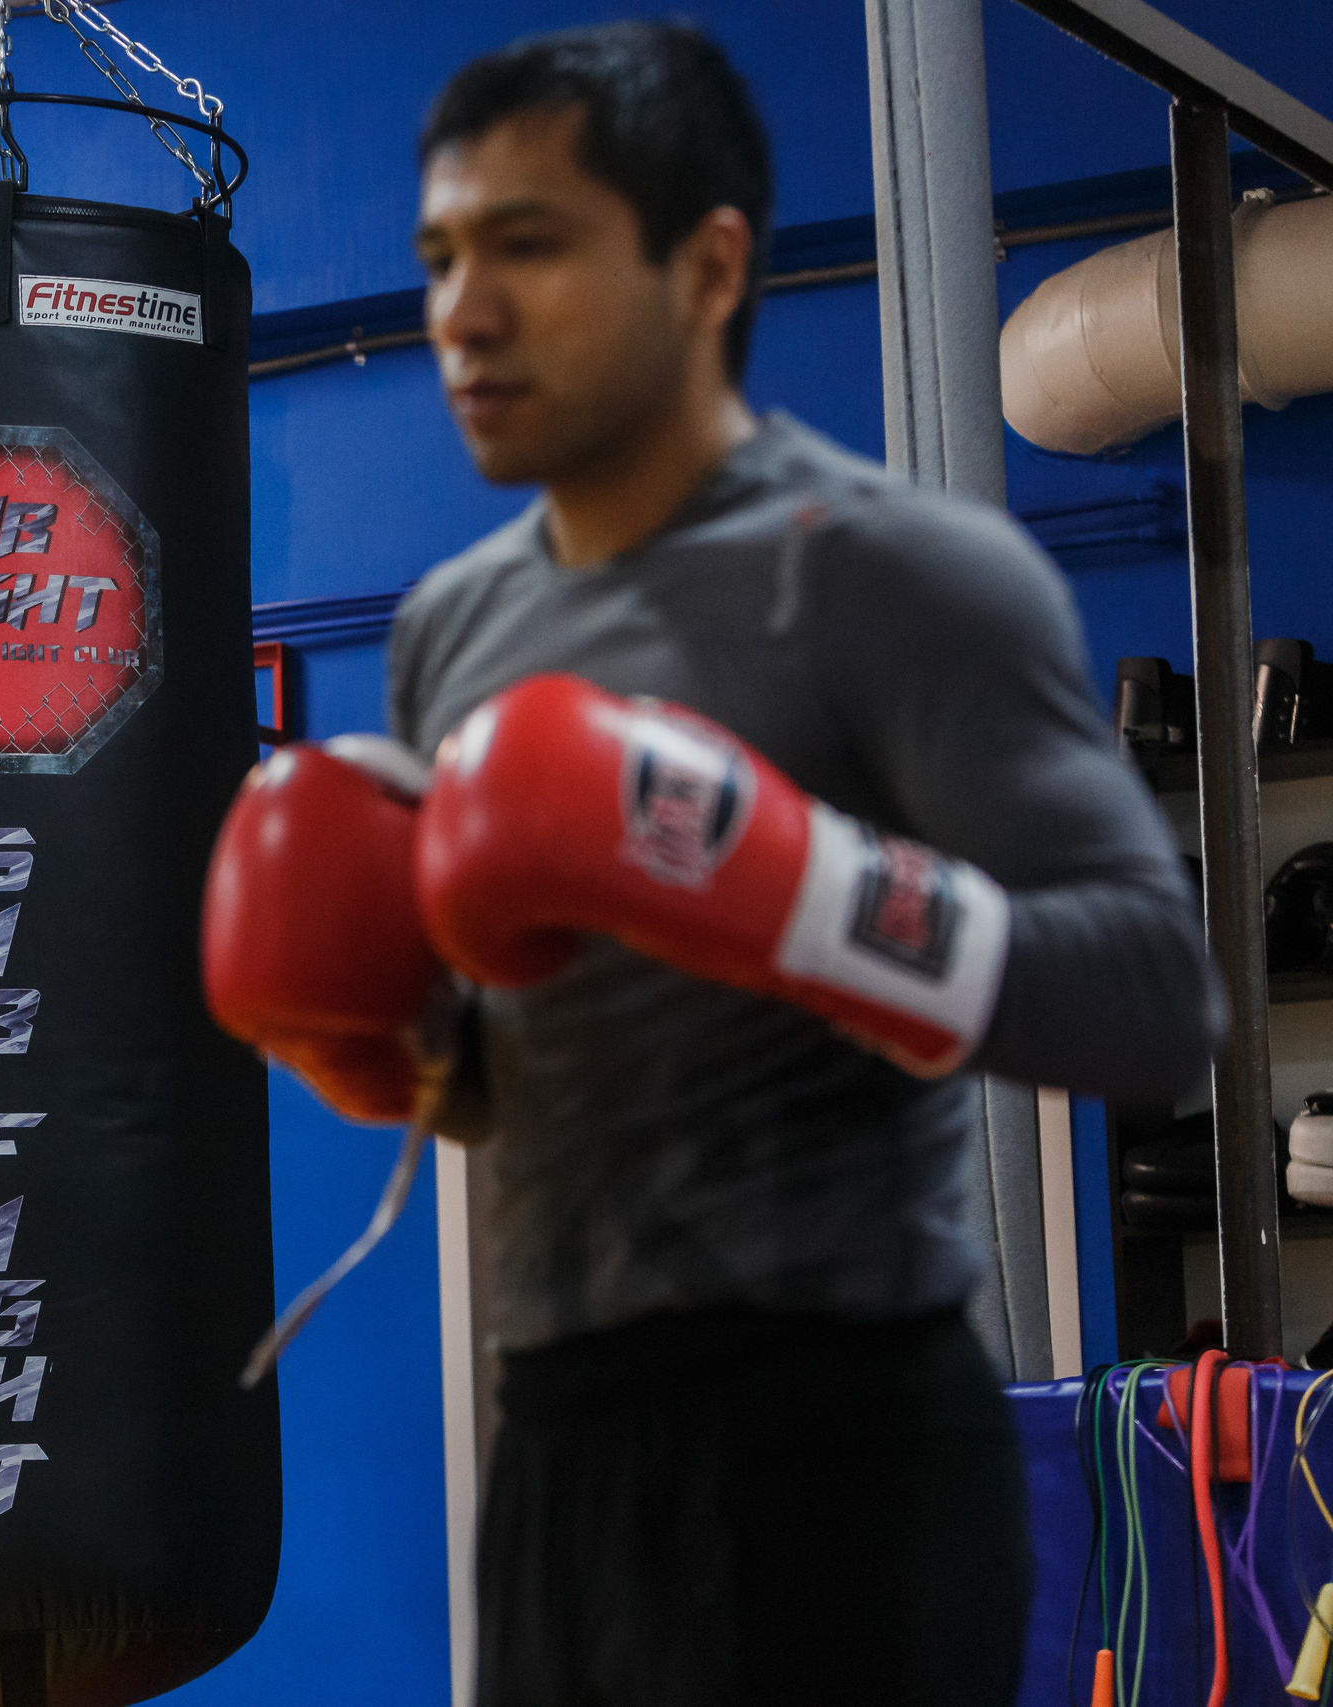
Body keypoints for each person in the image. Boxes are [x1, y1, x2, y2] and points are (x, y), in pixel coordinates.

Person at [202, 21, 1219, 1706]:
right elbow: (517, 1070)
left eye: (526, 248)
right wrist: (385, 1047)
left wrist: (798, 888)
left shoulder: (898, 580)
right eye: (443, 257)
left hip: (838, 1430)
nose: (460, 312)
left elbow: (1148, 1001)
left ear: (708, 266)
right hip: (568, 1443)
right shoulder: (459, 627)